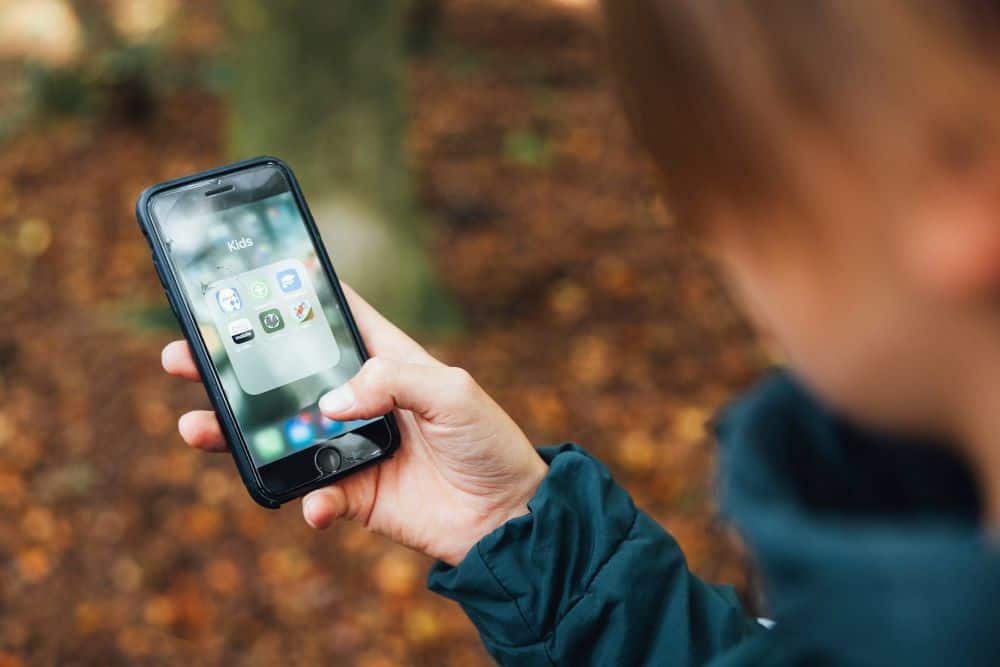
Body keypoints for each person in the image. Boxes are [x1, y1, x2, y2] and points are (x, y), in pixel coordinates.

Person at [161, 1, 1000, 664]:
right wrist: (514, 526)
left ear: (959, 175)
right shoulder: (927, 562)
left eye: (725, 183)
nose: (709, 238)